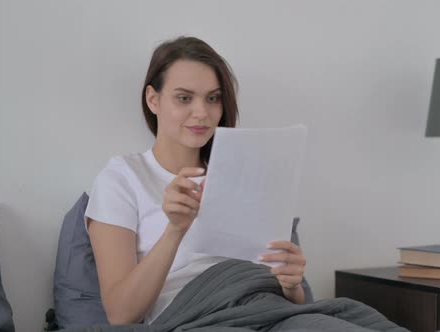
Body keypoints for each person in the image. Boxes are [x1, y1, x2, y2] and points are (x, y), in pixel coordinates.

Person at [85, 36, 307, 325]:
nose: (202, 112)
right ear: (153, 100)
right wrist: (175, 230)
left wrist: (293, 285)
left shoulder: (245, 173)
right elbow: (120, 314)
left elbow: (286, 295)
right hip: (197, 316)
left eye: (213, 98)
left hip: (269, 307)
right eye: (184, 98)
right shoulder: (122, 178)